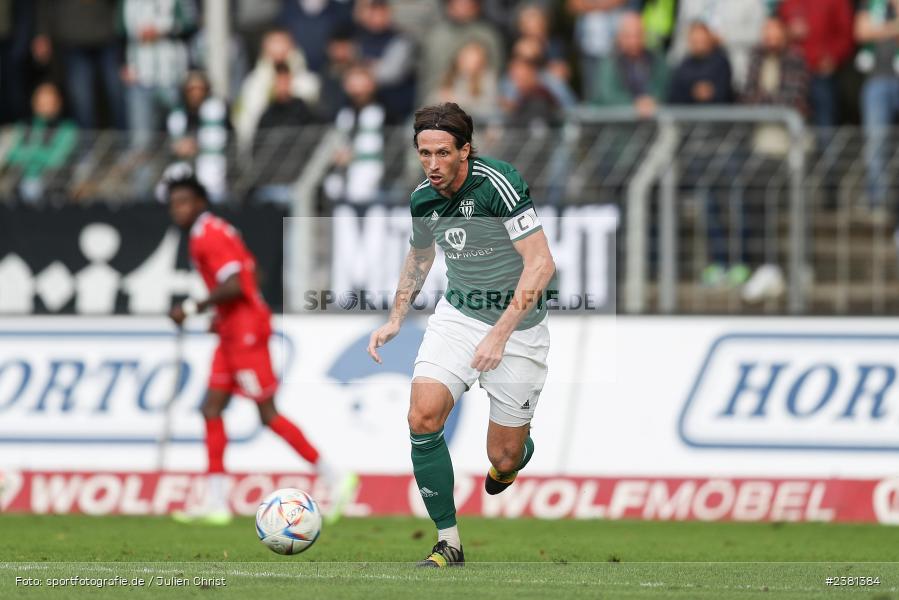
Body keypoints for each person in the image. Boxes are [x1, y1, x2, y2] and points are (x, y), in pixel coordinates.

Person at [367, 103, 556, 567]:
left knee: (505, 456)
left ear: (465, 150)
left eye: (443, 153)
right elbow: (420, 257)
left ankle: (515, 455)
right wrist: (395, 319)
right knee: (422, 416)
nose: (432, 164)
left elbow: (541, 263)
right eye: (424, 153)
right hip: (458, 316)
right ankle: (448, 541)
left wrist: (499, 334)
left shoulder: (498, 184)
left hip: (519, 327)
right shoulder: (422, 200)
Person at [165, 175, 357, 524]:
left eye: (184, 202)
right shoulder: (212, 231)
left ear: (199, 203)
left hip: (246, 334)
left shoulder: (208, 235)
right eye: (173, 203)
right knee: (211, 408)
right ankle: (217, 502)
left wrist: (192, 308)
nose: (177, 209)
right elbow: (253, 272)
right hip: (231, 330)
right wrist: (221, 316)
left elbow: (236, 283)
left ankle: (335, 476)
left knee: (267, 414)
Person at [778, 0, 854, 127]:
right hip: (791, 75)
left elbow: (846, 34)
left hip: (820, 74)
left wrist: (832, 58)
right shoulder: (788, 3)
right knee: (789, 124)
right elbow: (775, 30)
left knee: (825, 123)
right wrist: (787, 32)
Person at [855, 0, 899, 211]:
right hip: (877, 79)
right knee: (876, 141)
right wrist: (893, 27)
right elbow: (861, 32)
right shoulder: (869, 4)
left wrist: (880, 29)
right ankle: (878, 200)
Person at [2, 82, 78, 203]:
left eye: (49, 103)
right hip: (20, 184)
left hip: (51, 187)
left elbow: (56, 160)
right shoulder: (24, 126)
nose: (45, 107)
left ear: (58, 103)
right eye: (41, 102)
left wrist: (29, 153)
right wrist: (39, 154)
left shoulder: (66, 129)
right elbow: (11, 154)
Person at [589, 11, 668, 118]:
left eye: (638, 35)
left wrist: (652, 100)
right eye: (629, 36)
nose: (634, 41)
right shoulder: (609, 64)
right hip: (616, 129)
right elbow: (607, 96)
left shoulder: (657, 61)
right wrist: (635, 105)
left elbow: (665, 88)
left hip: (652, 126)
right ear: (620, 37)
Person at [166, 71, 229, 201]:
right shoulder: (177, 115)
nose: (195, 93)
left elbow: (223, 139)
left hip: (211, 166)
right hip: (183, 165)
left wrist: (197, 146)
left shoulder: (218, 109)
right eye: (191, 89)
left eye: (200, 88)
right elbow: (169, 144)